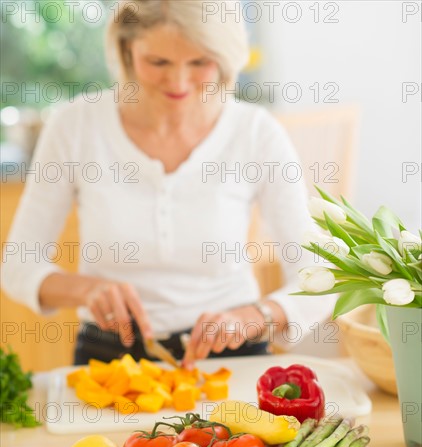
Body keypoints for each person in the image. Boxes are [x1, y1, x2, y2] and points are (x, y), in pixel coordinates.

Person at [2, 0, 334, 368]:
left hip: (232, 358)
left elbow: (318, 276)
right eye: (158, 62)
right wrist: (87, 290)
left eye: (199, 63)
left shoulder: (256, 132)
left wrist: (254, 317)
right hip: (110, 360)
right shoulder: (75, 126)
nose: (178, 82)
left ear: (225, 59)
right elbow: (19, 265)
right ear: (127, 49)